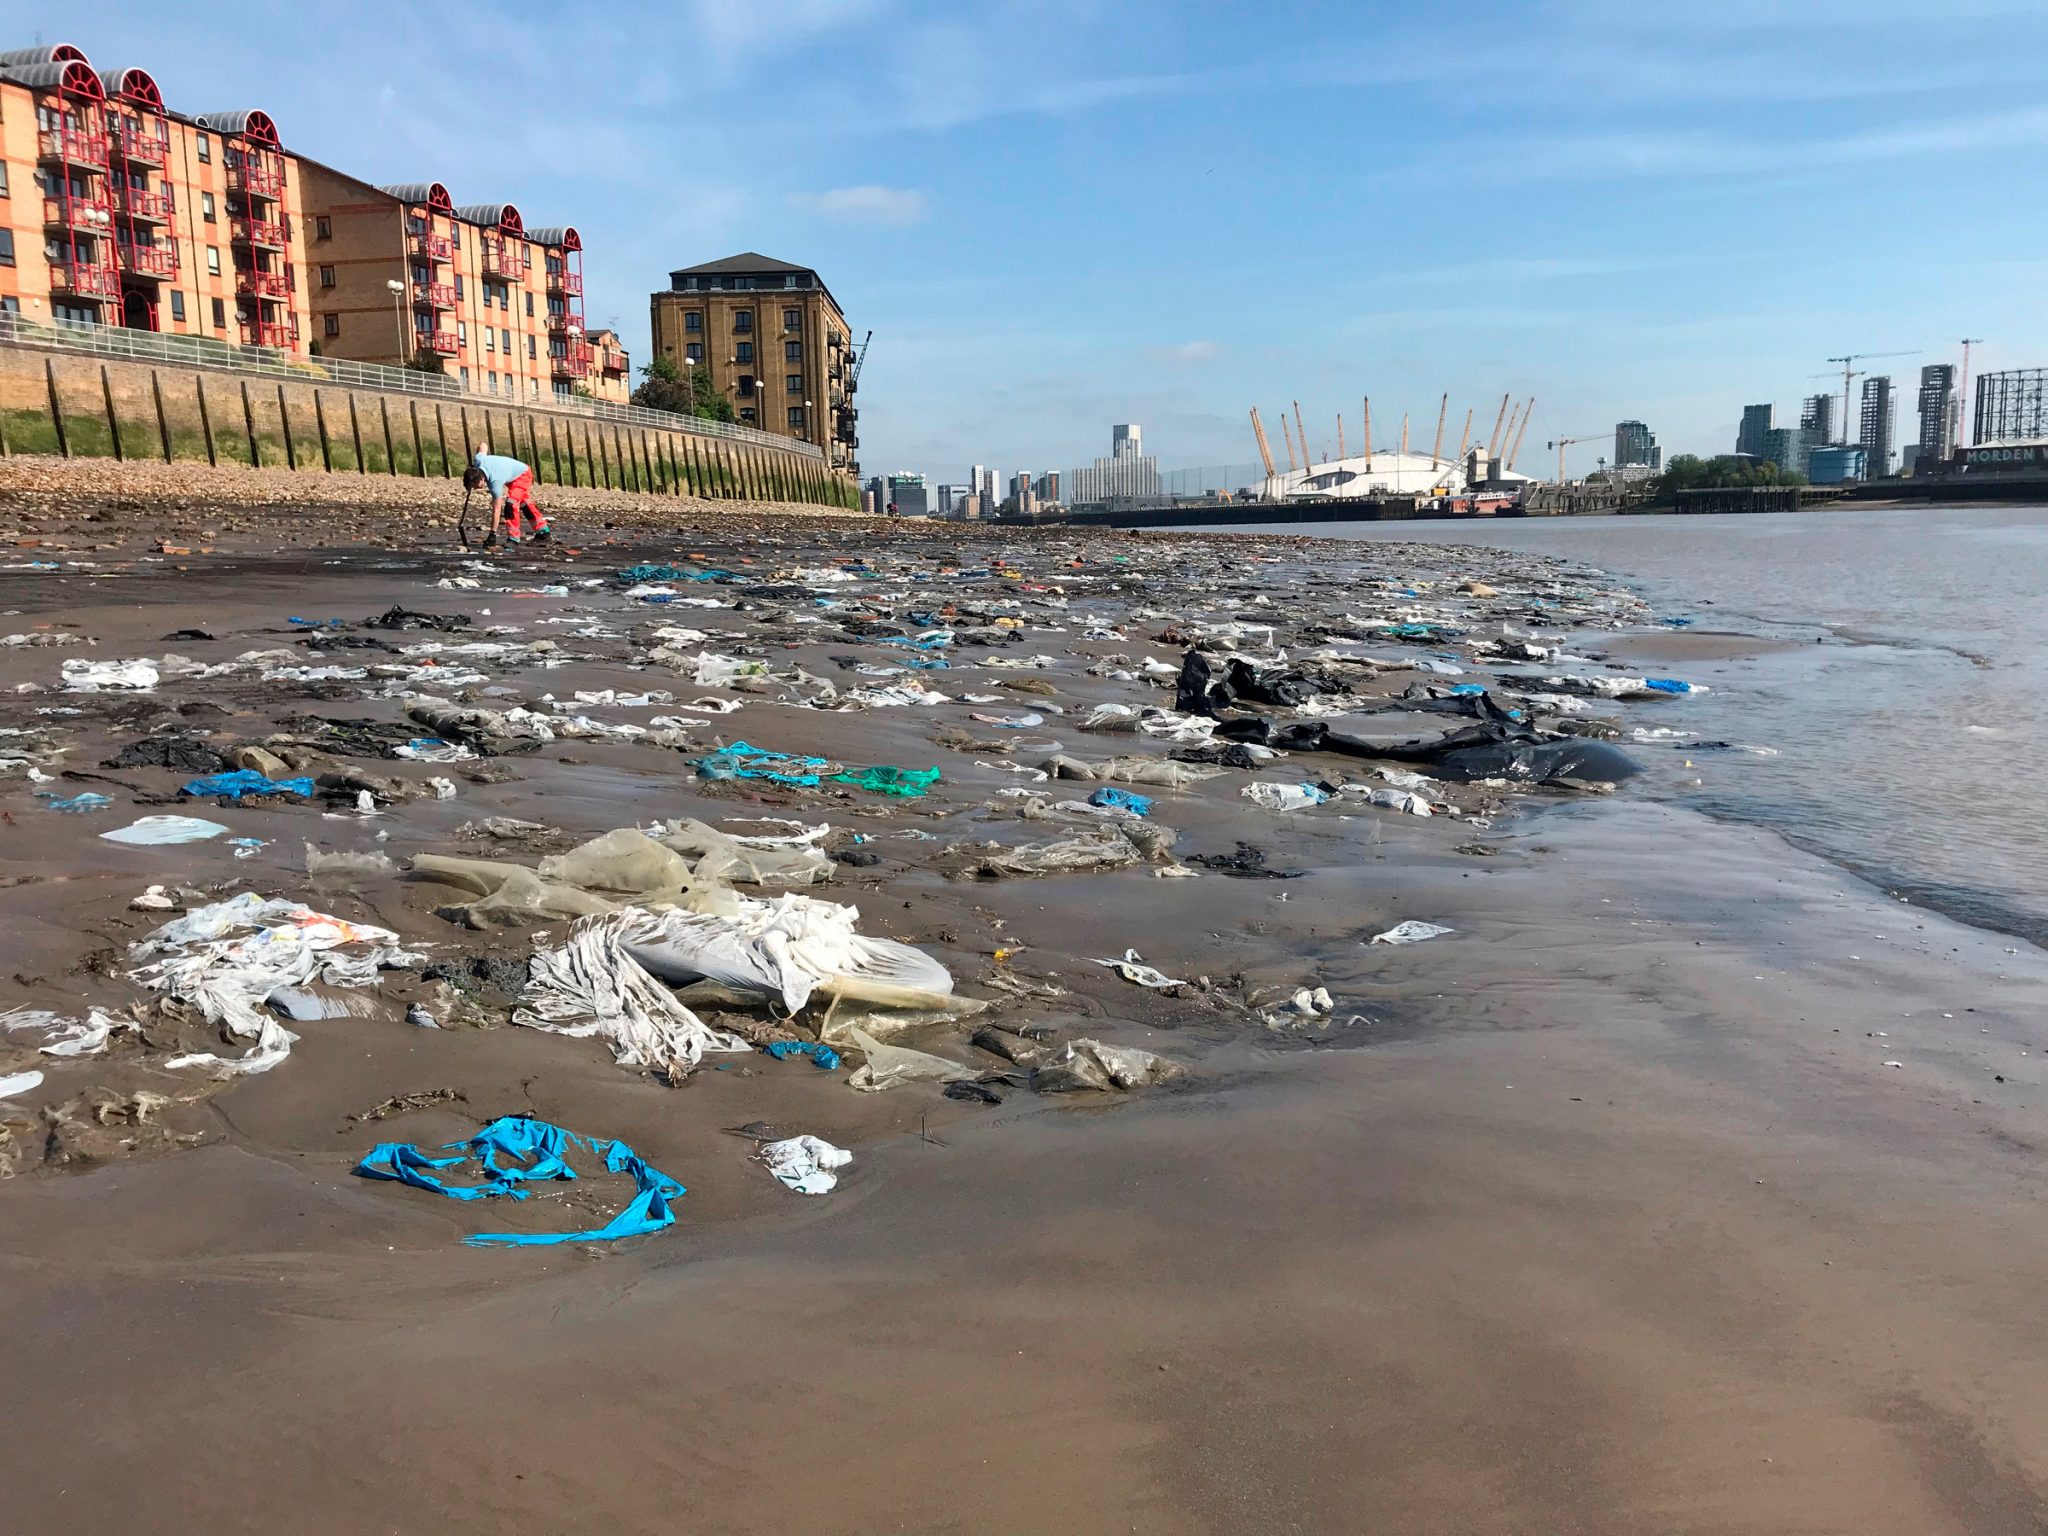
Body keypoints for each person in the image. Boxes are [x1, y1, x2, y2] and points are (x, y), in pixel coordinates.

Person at [463, 446, 549, 546]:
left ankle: (513, 538)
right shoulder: (479, 460)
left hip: (523, 474)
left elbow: (497, 509)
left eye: (475, 486)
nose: (475, 488)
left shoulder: (495, 481)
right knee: (525, 504)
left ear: (481, 479)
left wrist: (492, 534)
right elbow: (483, 445)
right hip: (513, 475)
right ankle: (543, 532)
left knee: (511, 504)